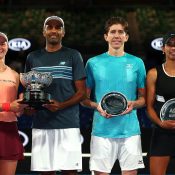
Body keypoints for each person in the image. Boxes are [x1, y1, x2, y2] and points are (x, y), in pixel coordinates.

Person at [81, 16, 146, 175]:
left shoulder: (137, 63)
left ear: (126, 36)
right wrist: (97, 106)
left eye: (120, 32)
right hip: (102, 130)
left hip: (129, 130)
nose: (117, 35)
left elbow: (143, 99)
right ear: (106, 36)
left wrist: (133, 104)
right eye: (113, 32)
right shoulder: (93, 63)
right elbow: (83, 99)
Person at [24, 16, 86, 175]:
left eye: (58, 27)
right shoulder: (32, 57)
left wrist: (61, 105)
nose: (53, 30)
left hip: (68, 123)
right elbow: (30, 90)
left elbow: (81, 92)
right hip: (41, 124)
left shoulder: (73, 55)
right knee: (45, 173)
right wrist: (29, 108)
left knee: (69, 172)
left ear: (63, 32)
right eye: (49, 27)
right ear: (44, 31)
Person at [146, 32, 175, 175]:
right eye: (170, 44)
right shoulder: (153, 74)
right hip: (162, 133)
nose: (173, 48)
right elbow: (149, 107)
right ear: (163, 48)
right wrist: (160, 123)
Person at [0, 32, 28, 175]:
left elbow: (16, 110)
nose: (0, 46)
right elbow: (8, 106)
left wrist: (21, 107)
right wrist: (7, 107)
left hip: (9, 129)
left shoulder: (15, 75)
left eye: (2, 43)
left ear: (7, 46)